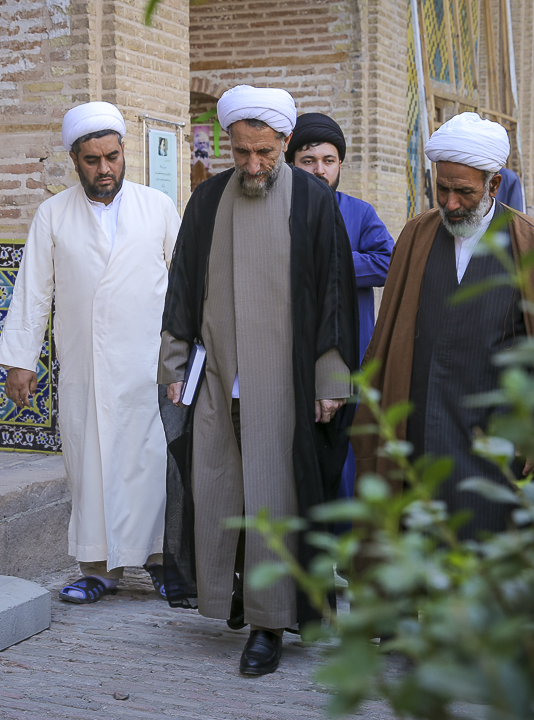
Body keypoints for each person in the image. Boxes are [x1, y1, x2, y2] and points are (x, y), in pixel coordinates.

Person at [158, 85, 359, 676]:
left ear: (286, 142)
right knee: (220, 493)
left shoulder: (313, 201)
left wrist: (331, 380)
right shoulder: (207, 199)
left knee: (274, 500)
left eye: (265, 152)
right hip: (219, 381)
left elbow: (334, 295)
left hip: (287, 387)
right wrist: (173, 366)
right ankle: (231, 596)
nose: (252, 164)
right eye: (241, 151)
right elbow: (183, 288)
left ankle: (269, 627)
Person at [352, 112, 534, 539]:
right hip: (422, 428)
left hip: (498, 439)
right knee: (421, 544)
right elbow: (389, 337)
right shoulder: (416, 236)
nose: (451, 203)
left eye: (464, 192)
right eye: (442, 189)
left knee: (491, 550)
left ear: (494, 185)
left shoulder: (532, 241)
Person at [0, 101, 181, 605]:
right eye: (92, 160)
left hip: (149, 366)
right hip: (86, 366)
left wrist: (186, 358)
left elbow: (185, 287)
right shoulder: (53, 214)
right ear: (74, 160)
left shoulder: (157, 207)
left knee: (151, 465)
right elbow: (33, 292)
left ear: (124, 154)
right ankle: (98, 570)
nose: (104, 169)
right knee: (89, 465)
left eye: (112, 158)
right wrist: (21, 361)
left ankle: (161, 563)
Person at [284, 112, 393, 507]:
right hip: (290, 355)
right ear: (291, 164)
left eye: (328, 161)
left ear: (340, 164)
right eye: (308, 161)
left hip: (350, 355)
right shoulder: (279, 212)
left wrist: (330, 263)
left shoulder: (359, 213)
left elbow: (387, 262)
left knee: (345, 457)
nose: (320, 170)